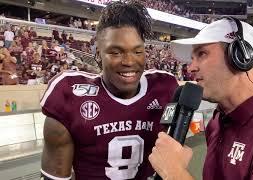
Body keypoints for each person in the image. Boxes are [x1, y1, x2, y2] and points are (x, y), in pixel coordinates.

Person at [149, 17, 253, 180]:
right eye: (192, 59)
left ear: (240, 56)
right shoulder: (217, 122)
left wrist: (175, 173)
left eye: (202, 54)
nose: (191, 67)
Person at [40, 1, 178, 180]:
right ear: (98, 54)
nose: (129, 61)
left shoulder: (164, 87)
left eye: (137, 52)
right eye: (116, 52)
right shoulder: (69, 95)